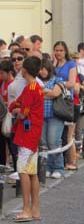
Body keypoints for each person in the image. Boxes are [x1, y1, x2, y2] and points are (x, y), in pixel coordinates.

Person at [8, 56, 43, 222]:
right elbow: (16, 103)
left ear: (24, 71)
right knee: (32, 173)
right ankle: (35, 208)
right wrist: (16, 106)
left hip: (27, 135)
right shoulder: (35, 87)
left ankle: (26, 208)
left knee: (23, 171)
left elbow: (21, 112)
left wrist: (16, 111)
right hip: (34, 134)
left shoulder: (31, 89)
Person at [53, 41, 78, 170]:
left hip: (66, 102)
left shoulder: (71, 64)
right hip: (54, 102)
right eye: (56, 50)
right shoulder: (53, 64)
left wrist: (58, 84)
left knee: (68, 135)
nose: (58, 53)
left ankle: (71, 161)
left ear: (66, 51)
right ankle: (60, 161)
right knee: (57, 135)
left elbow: (72, 83)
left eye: (61, 50)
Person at [38, 59, 65, 179]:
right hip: (41, 116)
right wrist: (47, 93)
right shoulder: (37, 81)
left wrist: (44, 92)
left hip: (55, 116)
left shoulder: (57, 80)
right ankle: (47, 167)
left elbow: (55, 93)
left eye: (44, 69)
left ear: (49, 69)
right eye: (40, 69)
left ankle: (58, 167)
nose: (42, 72)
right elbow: (37, 95)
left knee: (53, 142)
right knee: (43, 143)